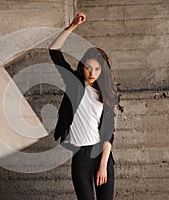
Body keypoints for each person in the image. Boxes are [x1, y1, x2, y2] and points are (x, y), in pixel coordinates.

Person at [49, 12, 123, 200]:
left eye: (97, 69)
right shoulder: (74, 83)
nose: (92, 73)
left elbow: (108, 134)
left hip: (103, 155)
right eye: (88, 67)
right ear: (82, 66)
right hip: (81, 156)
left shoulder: (105, 93)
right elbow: (54, 50)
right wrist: (73, 25)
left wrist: (103, 165)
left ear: (102, 70)